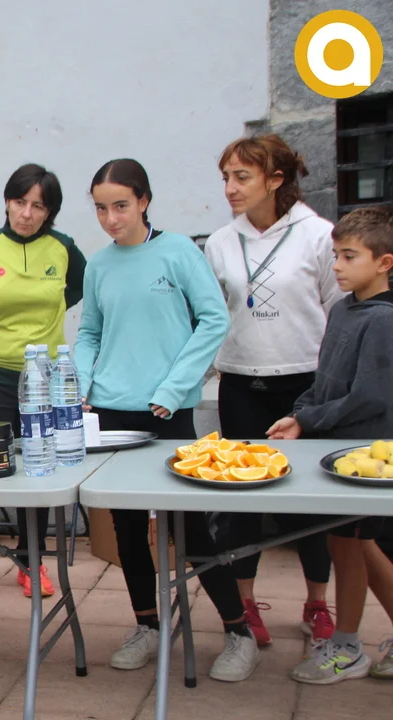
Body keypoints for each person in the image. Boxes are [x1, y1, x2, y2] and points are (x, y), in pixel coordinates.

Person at [75, 158, 260, 682]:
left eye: (121, 206)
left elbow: (213, 319)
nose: (111, 219)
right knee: (128, 529)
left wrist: (175, 387)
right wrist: (83, 384)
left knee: (192, 528)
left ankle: (238, 633)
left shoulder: (178, 252)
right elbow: (89, 332)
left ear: (144, 201)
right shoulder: (99, 264)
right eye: (101, 209)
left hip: (167, 409)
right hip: (110, 409)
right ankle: (148, 626)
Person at [204, 134, 344, 646]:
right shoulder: (221, 242)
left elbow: (338, 314)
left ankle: (317, 603)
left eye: (242, 177)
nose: (230, 188)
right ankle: (245, 604)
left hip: (304, 384)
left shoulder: (318, 235)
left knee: (309, 500)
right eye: (226, 177)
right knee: (241, 498)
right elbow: (211, 314)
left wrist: (328, 392)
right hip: (241, 381)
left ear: (276, 179)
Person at [267, 204, 393, 684]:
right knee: (352, 546)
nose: (336, 266)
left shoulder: (382, 320)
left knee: (356, 547)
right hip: (335, 457)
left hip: (364, 461)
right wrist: (300, 415)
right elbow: (327, 381)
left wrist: (309, 417)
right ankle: (348, 641)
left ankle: (347, 646)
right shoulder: (343, 309)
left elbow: (369, 397)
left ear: (384, 263)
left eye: (349, 256)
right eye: (335, 255)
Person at [0, 163, 86, 599]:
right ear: (7, 202)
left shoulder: (64, 248)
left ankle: (31, 561)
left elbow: (81, 288)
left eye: (38, 206)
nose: (27, 214)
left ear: (50, 212)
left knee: (38, 469)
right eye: (19, 202)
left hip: (44, 376)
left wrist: (50, 313)